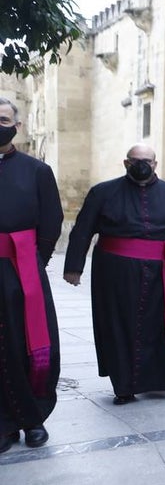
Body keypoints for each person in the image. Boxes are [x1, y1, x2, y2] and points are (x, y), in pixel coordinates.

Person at [62, 143, 165, 405]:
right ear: (126, 163)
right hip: (115, 273)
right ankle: (124, 385)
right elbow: (83, 229)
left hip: (163, 272)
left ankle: (162, 376)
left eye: (147, 160)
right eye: (136, 160)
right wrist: (73, 267)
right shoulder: (103, 192)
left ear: (155, 164)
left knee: (161, 326)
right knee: (119, 327)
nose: (142, 165)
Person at [0, 98, 63, 453]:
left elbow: (51, 220)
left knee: (30, 342)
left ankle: (32, 418)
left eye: (3, 118)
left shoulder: (36, 170)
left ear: (16, 126)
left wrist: (34, 260)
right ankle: (4, 424)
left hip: (23, 269)